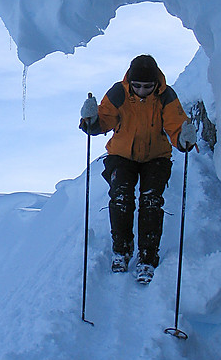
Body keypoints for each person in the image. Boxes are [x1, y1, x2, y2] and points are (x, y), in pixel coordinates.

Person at [80, 54, 197, 284]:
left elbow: (176, 127)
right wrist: (90, 119)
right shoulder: (119, 93)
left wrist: (184, 138)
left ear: (156, 83)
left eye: (148, 86)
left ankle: (147, 258)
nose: (143, 90)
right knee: (121, 197)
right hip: (121, 156)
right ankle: (121, 251)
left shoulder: (166, 96)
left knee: (151, 200)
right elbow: (103, 122)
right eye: (138, 86)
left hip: (156, 157)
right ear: (130, 82)